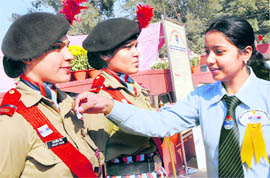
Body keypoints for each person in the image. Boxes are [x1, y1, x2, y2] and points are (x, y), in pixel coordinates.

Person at [74, 16, 270, 178]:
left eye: (219, 52)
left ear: (245, 53)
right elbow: (159, 123)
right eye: (207, 52)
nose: (210, 60)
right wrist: (110, 106)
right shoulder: (202, 97)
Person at [0, 12, 102, 177]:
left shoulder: (67, 105)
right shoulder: (13, 121)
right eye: (57, 48)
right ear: (28, 56)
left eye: (67, 47)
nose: (70, 56)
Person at [81, 17, 167, 177]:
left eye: (136, 46)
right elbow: (96, 155)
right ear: (105, 55)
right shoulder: (101, 95)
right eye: (128, 48)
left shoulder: (136, 88)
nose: (137, 53)